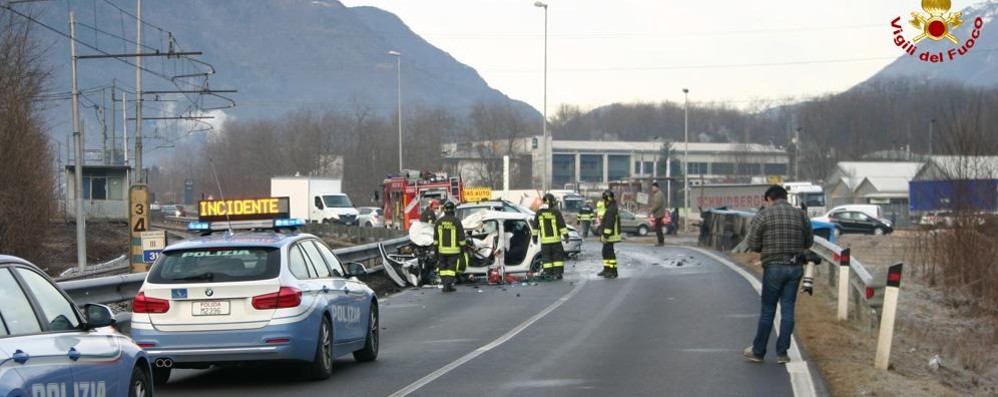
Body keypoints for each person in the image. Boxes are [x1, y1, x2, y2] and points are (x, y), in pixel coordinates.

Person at [742, 185, 814, 364]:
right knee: (788, 308)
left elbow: (752, 242)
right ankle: (782, 353)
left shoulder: (764, 215)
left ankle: (758, 351)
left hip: (773, 267)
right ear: (785, 197)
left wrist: (764, 247)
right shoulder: (800, 215)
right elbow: (809, 241)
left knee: (768, 310)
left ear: (769, 198)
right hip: (795, 267)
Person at [532, 193, 569, 279]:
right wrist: (566, 236)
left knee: (546, 258)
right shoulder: (556, 212)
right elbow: (562, 225)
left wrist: (535, 238)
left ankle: (548, 273)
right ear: (552, 202)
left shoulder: (539, 213)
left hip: (545, 242)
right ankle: (558, 273)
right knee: (557, 258)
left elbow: (535, 227)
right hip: (556, 241)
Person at [433, 201, 466, 293]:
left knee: (443, 268)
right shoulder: (456, 221)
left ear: (444, 210)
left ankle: (445, 284)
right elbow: (461, 238)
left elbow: (435, 238)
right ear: (453, 210)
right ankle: (447, 285)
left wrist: (435, 250)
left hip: (441, 251)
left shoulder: (439, 222)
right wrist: (463, 249)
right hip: (454, 251)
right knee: (451, 268)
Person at [597, 190, 621, 279]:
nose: (603, 202)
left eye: (604, 200)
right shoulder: (612, 207)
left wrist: (605, 236)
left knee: (609, 253)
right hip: (609, 235)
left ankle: (613, 271)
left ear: (608, 199)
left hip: (610, 236)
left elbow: (609, 224)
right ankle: (607, 269)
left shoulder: (611, 209)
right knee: (605, 252)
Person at [649, 182, 667, 246]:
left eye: (653, 188)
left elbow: (657, 204)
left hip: (659, 214)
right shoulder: (658, 194)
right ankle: (661, 241)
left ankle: (661, 241)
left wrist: (652, 210)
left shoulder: (658, 194)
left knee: (658, 228)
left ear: (657, 188)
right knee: (658, 227)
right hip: (659, 213)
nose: (652, 189)